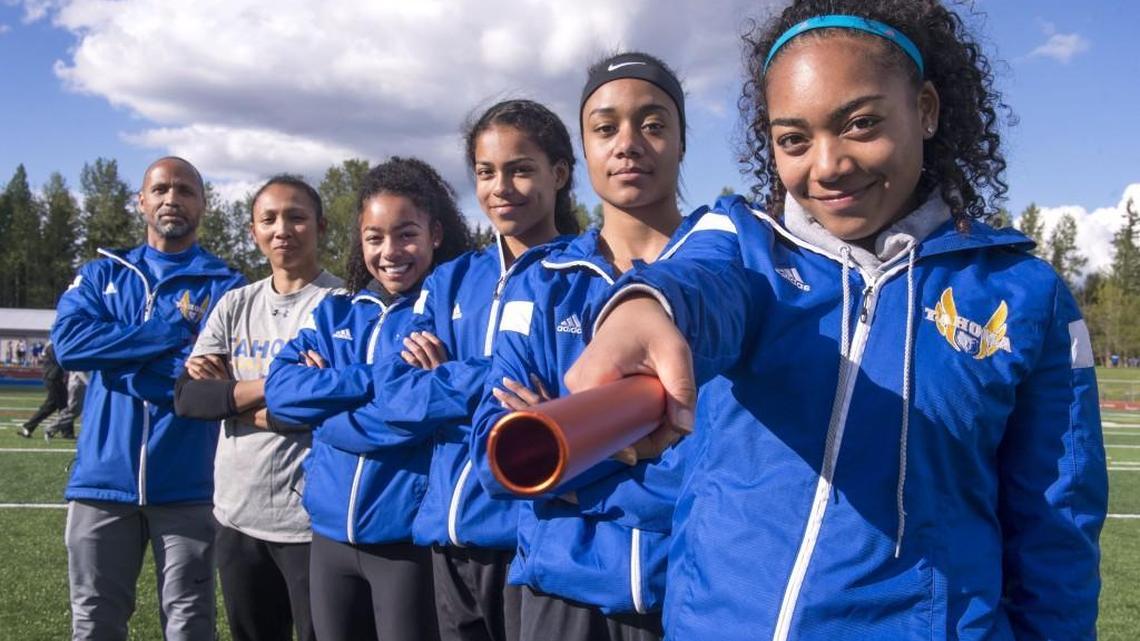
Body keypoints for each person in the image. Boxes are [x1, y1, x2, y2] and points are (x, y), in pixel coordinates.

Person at [565, 2, 1108, 639]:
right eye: (794, 139)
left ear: (926, 109)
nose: (826, 166)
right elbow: (696, 285)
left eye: (859, 124)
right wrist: (642, 308)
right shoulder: (741, 241)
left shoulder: (1024, 295)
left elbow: (1057, 527)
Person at [469, 53, 736, 641]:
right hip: (562, 589)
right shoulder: (542, 280)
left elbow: (733, 469)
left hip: (695, 592)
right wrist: (647, 453)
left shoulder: (732, 272)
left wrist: (562, 445)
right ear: (583, 153)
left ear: (683, 141)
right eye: (605, 127)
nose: (628, 143)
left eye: (653, 124)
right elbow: (494, 458)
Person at [311, 98, 580, 641]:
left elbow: (572, 396)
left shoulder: (581, 273)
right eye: (485, 172)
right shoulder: (452, 280)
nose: (500, 187)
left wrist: (448, 378)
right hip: (446, 538)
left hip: (529, 536)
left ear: (559, 173)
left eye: (520, 169)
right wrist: (496, 382)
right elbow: (397, 395)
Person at [265, 157, 472, 641]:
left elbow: (415, 416)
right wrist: (380, 380)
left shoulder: (445, 317)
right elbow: (281, 393)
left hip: (403, 542)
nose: (390, 251)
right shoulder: (337, 311)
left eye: (406, 234)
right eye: (374, 237)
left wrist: (328, 416)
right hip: (329, 537)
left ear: (435, 234)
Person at [50, 156, 245, 641]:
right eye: (159, 190)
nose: (171, 199)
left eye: (184, 190)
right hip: (101, 484)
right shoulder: (101, 274)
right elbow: (71, 345)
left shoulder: (226, 286)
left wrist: (120, 362)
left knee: (189, 624)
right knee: (94, 622)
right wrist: (165, 332)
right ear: (142, 201)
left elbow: (210, 379)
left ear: (203, 203)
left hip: (189, 487)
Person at [172, 175, 342, 641]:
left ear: (321, 226)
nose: (282, 229)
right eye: (268, 219)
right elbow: (189, 398)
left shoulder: (343, 306)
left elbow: (322, 408)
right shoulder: (234, 303)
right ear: (253, 232)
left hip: (310, 523)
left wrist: (232, 397)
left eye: (296, 217)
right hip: (236, 513)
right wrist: (279, 386)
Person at [17, 341, 68, 438]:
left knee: (54, 406)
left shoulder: (53, 345)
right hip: (53, 378)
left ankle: (29, 427)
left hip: (54, 378)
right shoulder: (53, 346)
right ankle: (66, 432)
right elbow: (60, 360)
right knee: (61, 406)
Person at [43, 370, 87, 440]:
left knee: (85, 411)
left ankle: (85, 434)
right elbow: (79, 370)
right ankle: (51, 428)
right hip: (78, 384)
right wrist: (89, 383)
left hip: (79, 384)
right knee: (73, 411)